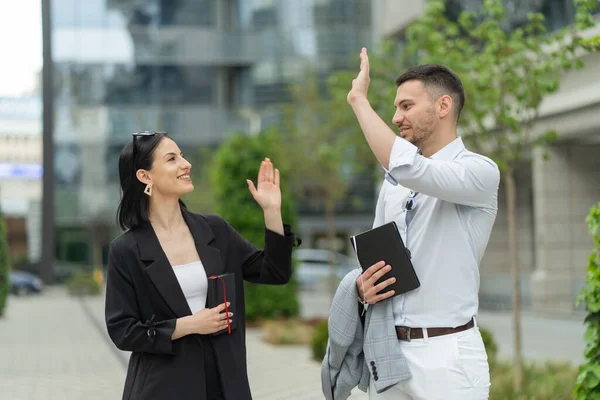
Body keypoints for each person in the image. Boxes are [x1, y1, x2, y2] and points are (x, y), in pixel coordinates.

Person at [346, 49, 500, 399]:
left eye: (406, 106)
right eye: (396, 107)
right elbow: (372, 258)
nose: (396, 117)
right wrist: (361, 286)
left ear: (443, 106)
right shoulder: (392, 184)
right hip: (389, 351)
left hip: (449, 356)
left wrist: (358, 100)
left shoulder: (480, 172)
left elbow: (411, 169)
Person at [104, 131, 300, 400]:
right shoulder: (126, 250)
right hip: (163, 388)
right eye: (172, 159)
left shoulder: (215, 231)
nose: (186, 164)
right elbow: (123, 331)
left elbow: (274, 272)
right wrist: (188, 325)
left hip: (224, 384)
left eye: (182, 156)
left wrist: (271, 211)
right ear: (144, 176)